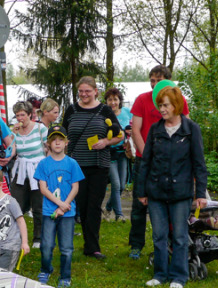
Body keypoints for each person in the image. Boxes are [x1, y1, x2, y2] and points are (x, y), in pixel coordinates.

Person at [136, 86, 208, 288]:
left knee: (179, 236)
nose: (162, 109)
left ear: (176, 105)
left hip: (181, 193)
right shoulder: (155, 129)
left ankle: (179, 276)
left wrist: (200, 193)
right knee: (159, 235)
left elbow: (199, 164)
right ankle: (160, 274)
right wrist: (141, 191)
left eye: (165, 105)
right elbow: (146, 161)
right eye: (160, 105)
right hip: (156, 191)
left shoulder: (191, 129)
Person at [128, 65, 190, 259]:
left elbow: (185, 128)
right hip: (144, 160)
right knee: (140, 204)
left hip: (170, 163)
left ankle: (169, 244)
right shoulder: (141, 100)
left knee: (168, 203)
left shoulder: (179, 100)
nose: (154, 84)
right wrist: (148, 155)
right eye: (152, 80)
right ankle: (136, 245)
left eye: (159, 81)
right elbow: (136, 130)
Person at [62, 76, 122, 260]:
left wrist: (106, 141)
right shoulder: (71, 110)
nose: (84, 94)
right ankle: (87, 243)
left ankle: (93, 247)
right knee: (81, 205)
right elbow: (63, 135)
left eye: (88, 91)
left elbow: (119, 135)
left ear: (96, 91)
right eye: (81, 91)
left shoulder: (105, 110)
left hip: (98, 165)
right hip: (76, 166)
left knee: (94, 206)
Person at [35, 125, 84, 288]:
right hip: (49, 212)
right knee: (46, 245)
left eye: (60, 140)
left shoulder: (72, 164)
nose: (57, 143)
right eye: (53, 140)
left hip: (67, 214)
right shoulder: (43, 164)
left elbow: (75, 188)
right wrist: (60, 204)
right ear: (48, 144)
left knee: (66, 248)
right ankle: (46, 269)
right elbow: (43, 188)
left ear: (66, 142)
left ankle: (65, 275)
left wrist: (64, 207)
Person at [10, 100, 48, 248]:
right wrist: (12, 136)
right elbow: (12, 151)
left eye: (22, 115)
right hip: (20, 171)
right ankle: (17, 236)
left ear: (30, 115)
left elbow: (48, 147)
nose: (20, 118)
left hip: (38, 170)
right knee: (16, 205)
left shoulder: (40, 128)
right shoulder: (14, 131)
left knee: (38, 206)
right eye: (17, 115)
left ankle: (38, 237)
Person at [103, 87, 132, 222]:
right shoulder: (104, 115)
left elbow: (132, 127)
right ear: (106, 101)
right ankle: (119, 215)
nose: (113, 102)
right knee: (115, 184)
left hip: (123, 153)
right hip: (110, 153)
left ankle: (108, 208)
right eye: (110, 99)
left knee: (121, 186)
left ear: (120, 101)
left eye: (115, 99)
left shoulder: (127, 112)